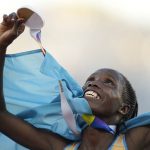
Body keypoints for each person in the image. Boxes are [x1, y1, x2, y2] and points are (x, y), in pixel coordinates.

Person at [0, 12, 150, 150]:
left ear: (123, 109)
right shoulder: (57, 146)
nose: (93, 83)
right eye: (90, 80)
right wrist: (1, 45)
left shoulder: (136, 141)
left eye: (109, 82)